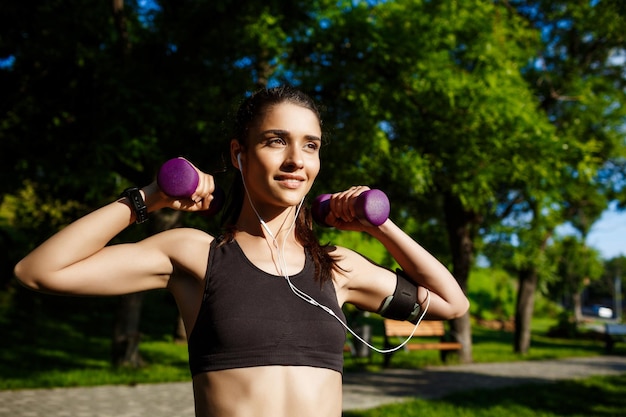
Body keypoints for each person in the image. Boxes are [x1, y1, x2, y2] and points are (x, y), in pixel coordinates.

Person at [14, 85, 469, 417]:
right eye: (276, 141)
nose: (296, 160)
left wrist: (380, 225)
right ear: (240, 153)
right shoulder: (195, 255)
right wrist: (150, 197)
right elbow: (39, 270)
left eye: (310, 146)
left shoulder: (335, 266)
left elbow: (451, 302)